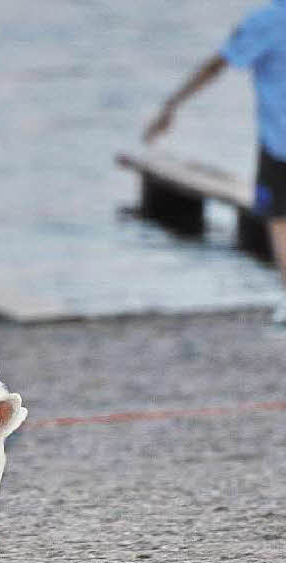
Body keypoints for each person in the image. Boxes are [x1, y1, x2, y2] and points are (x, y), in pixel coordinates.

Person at [145, 1, 286, 330]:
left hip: (279, 142)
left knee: (280, 220)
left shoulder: (266, 21)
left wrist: (172, 104)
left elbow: (217, 65)